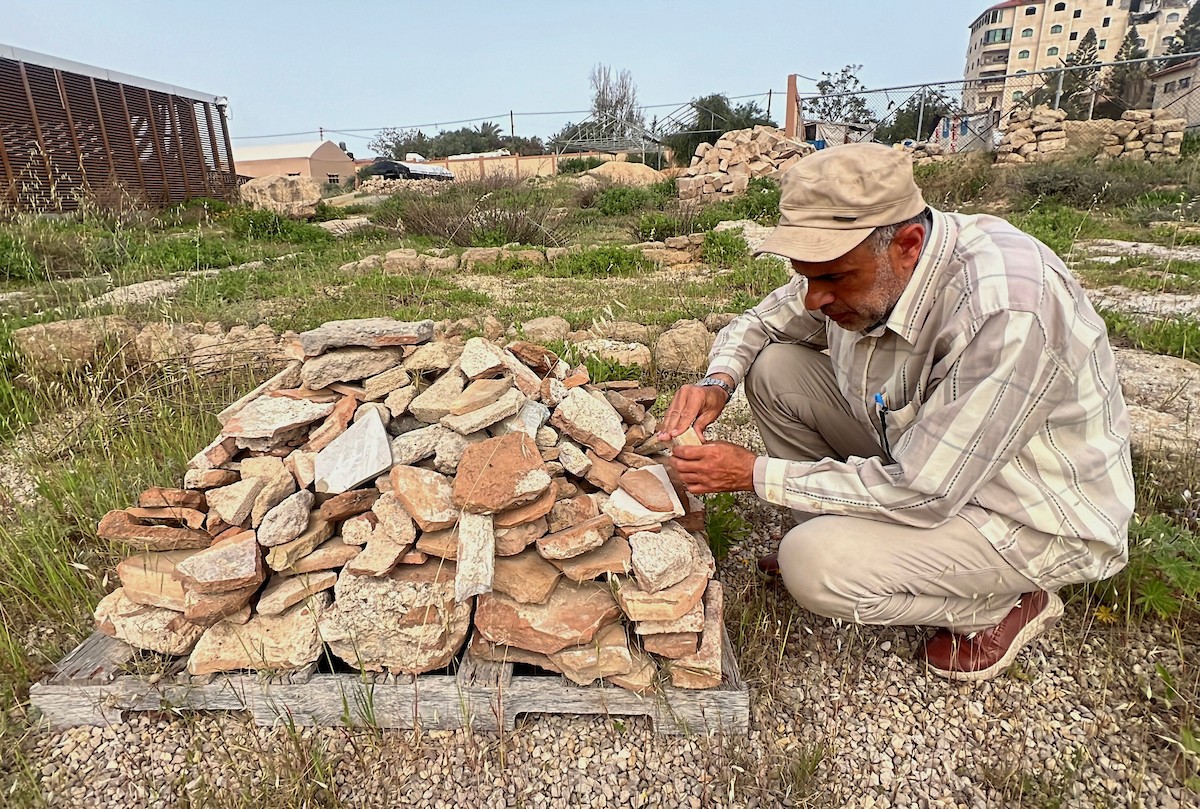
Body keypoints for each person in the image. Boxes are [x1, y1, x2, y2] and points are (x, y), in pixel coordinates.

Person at [657, 142, 1133, 682]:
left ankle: (1000, 603)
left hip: (1027, 512)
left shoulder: (1005, 309)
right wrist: (717, 382)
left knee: (812, 565)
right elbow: (761, 322)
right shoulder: (869, 260)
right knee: (773, 369)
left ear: (908, 245)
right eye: (806, 276)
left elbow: (926, 491)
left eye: (833, 278)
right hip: (933, 459)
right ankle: (854, 539)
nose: (813, 299)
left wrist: (755, 475)